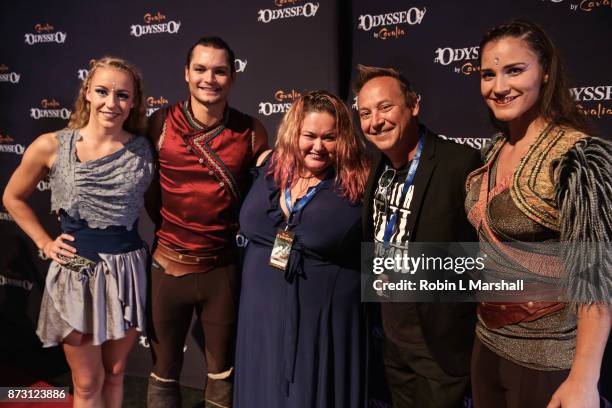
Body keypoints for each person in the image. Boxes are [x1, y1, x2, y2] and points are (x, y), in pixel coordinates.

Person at [465, 19, 611, 408]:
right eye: (488, 74)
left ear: (545, 72)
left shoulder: (576, 157)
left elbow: (595, 278)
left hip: (549, 363)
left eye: (515, 70)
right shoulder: (492, 151)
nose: (499, 86)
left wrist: (584, 378)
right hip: (486, 346)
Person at [2, 57, 153, 408]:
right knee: (87, 385)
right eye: (102, 91)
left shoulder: (144, 150)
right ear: (87, 92)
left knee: (115, 374)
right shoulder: (52, 145)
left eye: (122, 95)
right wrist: (44, 242)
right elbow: (12, 197)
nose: (111, 103)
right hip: (75, 274)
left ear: (133, 102)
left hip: (126, 273)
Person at [145, 36, 268, 408]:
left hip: (222, 271)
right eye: (200, 69)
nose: (209, 78)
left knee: (222, 372)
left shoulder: (251, 130)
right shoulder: (158, 124)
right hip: (167, 267)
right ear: (186, 73)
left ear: (232, 76)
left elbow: (270, 189)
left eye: (219, 71)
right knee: (164, 370)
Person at [354, 65, 482, 408]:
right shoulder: (376, 167)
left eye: (385, 107)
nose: (375, 121)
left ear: (414, 105)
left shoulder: (460, 163)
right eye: (365, 113)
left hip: (439, 344)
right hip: (393, 340)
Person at [233, 90, 369, 408]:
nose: (318, 147)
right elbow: (251, 223)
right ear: (295, 133)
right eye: (309, 135)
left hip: (318, 321)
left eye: (329, 137)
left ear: (344, 138)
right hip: (261, 317)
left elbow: (321, 234)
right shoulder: (274, 167)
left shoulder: (356, 180)